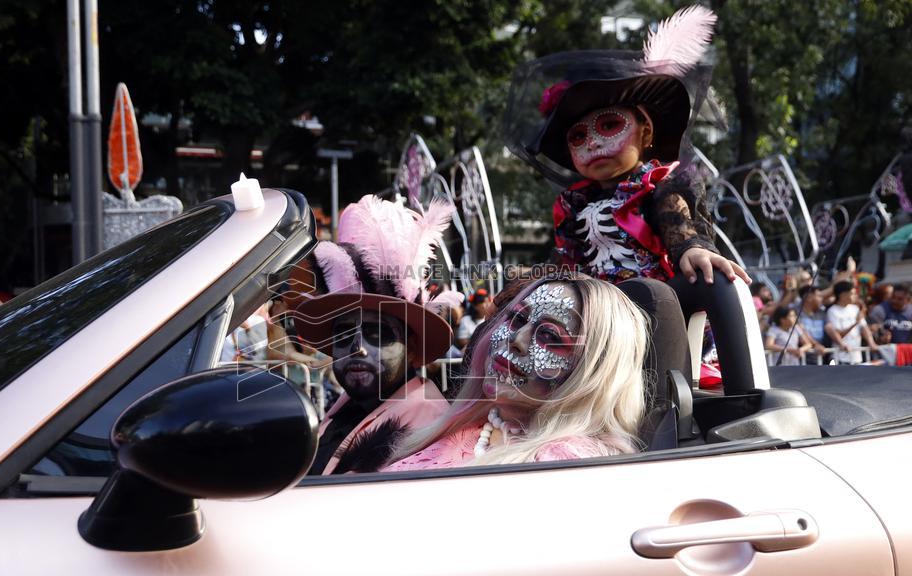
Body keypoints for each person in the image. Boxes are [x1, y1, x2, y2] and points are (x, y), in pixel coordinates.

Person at [503, 5, 749, 288]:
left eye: (609, 125)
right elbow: (565, 264)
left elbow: (681, 229)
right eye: (578, 137)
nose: (592, 142)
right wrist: (530, 277)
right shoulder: (576, 207)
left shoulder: (658, 188)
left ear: (645, 131)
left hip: (655, 313)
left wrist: (692, 249)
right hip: (594, 315)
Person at [384, 277, 648, 471]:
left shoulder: (571, 468)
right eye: (517, 319)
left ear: (593, 371)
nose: (517, 339)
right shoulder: (464, 428)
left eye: (548, 335)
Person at [294, 195, 461, 475]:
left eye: (378, 334)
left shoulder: (423, 422)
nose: (357, 348)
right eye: (344, 334)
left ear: (410, 347)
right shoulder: (353, 403)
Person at [826, 281, 879, 364]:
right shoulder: (832, 311)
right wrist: (855, 323)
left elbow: (864, 328)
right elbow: (838, 334)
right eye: (852, 293)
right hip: (840, 358)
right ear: (842, 295)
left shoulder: (855, 309)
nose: (855, 296)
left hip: (856, 357)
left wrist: (871, 343)